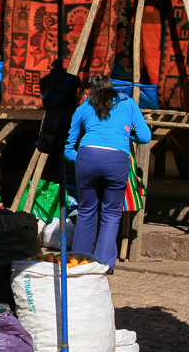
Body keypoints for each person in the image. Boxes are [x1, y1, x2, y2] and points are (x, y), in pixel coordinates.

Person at [65, 75, 152, 271]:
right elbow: (145, 137)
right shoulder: (128, 103)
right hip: (117, 159)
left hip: (87, 157)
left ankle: (78, 261)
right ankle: (103, 264)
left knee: (86, 210)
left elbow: (68, 146)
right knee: (111, 213)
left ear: (89, 92)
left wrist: (80, 160)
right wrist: (124, 134)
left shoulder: (84, 107)